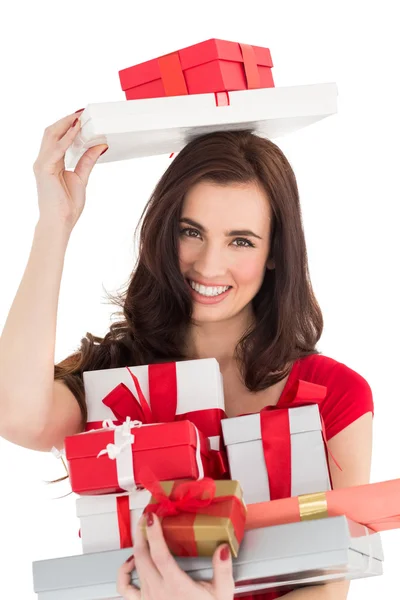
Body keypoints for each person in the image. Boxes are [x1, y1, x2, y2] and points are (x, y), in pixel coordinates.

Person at [0, 110, 374, 600]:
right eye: (190, 231)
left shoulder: (335, 396)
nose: (208, 264)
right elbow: (16, 416)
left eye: (240, 241)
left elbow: (329, 580)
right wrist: (56, 221)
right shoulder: (114, 380)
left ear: (275, 253)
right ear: (163, 230)